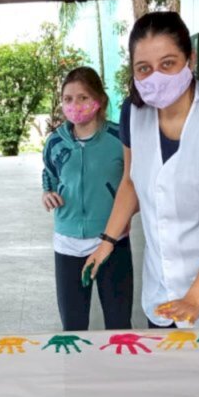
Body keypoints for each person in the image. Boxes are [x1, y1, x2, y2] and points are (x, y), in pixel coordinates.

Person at [83, 11, 199, 328]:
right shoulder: (134, 112)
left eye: (168, 63)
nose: (155, 76)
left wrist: (195, 298)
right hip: (163, 280)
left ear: (191, 60)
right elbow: (131, 184)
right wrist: (107, 240)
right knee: (168, 373)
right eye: (143, 68)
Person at [42, 67, 133, 331]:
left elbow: (133, 182)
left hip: (112, 241)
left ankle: (117, 371)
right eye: (68, 99)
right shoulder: (55, 142)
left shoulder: (119, 138)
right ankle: (75, 372)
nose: (75, 105)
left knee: (118, 324)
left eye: (83, 97)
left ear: (100, 100)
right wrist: (47, 193)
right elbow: (49, 174)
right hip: (67, 244)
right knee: (73, 326)